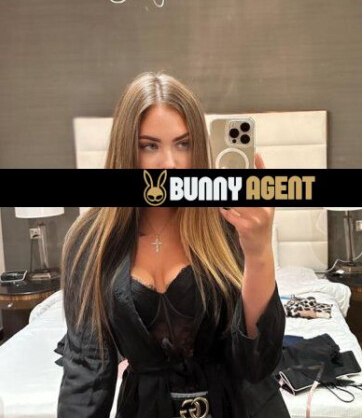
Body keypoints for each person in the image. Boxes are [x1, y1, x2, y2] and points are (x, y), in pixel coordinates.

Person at [56, 72, 290, 418]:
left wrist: (258, 252)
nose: (169, 162)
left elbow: (257, 363)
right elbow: (87, 368)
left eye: (184, 144)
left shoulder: (229, 220)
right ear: (126, 149)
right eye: (149, 145)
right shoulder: (91, 241)